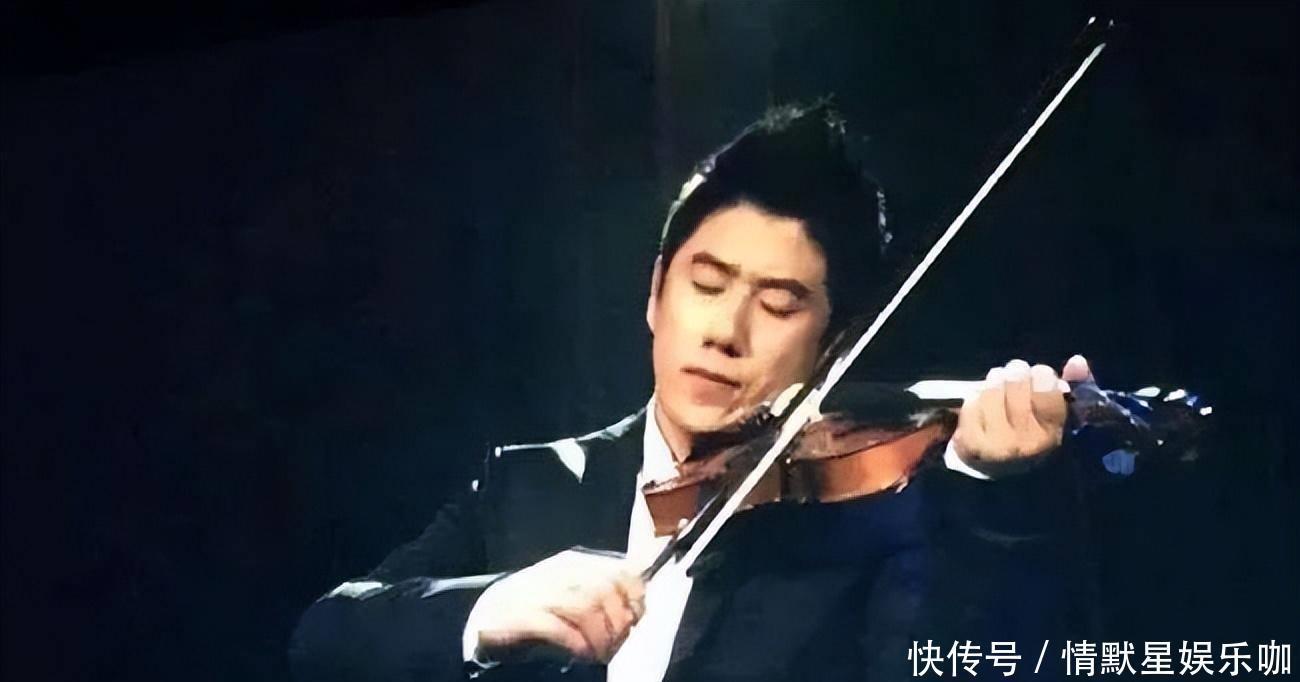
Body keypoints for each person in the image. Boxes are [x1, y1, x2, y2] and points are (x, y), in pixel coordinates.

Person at [289, 103, 1095, 682]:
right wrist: (486, 610)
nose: (725, 332)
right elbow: (325, 637)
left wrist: (993, 493)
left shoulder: (871, 528)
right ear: (655, 293)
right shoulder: (529, 482)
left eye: (778, 305)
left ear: (832, 346)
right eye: (706, 285)